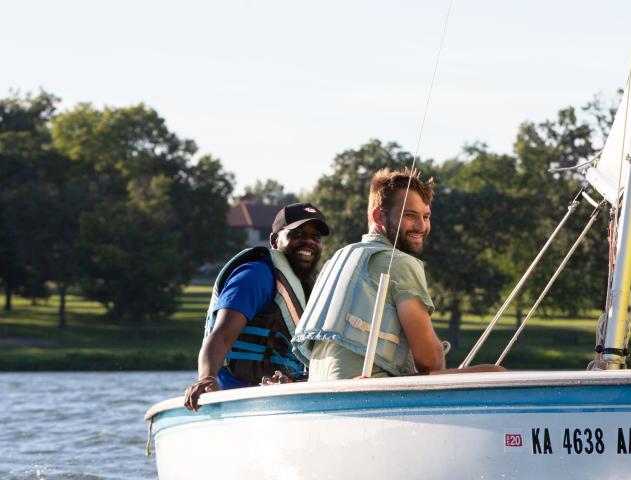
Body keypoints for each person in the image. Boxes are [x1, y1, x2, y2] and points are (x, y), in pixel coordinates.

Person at [294, 168, 503, 379]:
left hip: (322, 388)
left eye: (426, 216)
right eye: (410, 216)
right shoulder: (399, 262)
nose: (421, 226)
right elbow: (430, 362)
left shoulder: (335, 261)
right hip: (366, 392)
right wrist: (436, 348)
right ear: (378, 216)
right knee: (496, 374)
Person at [184, 202, 330, 410]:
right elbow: (221, 335)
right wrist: (206, 378)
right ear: (274, 240)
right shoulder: (255, 275)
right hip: (235, 402)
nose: (308, 242)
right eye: (297, 234)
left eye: (315, 238)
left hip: (284, 403)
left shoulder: (306, 287)